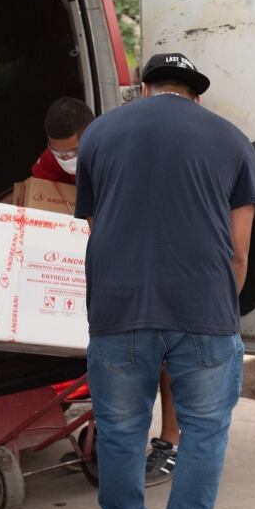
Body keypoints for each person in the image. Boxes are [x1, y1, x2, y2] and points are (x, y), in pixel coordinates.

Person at [76, 52, 255, 509]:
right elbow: (239, 251)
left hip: (118, 307)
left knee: (120, 428)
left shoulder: (99, 136)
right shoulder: (230, 140)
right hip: (201, 306)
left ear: (144, 88)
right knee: (203, 432)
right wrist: (219, 308)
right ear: (196, 94)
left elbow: (94, 225)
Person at [30, 96, 182, 487]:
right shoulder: (50, 165)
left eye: (74, 152)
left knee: (162, 352)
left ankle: (171, 441)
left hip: (148, 261)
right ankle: (109, 443)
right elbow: (30, 202)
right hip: (98, 272)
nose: (66, 160)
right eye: (57, 152)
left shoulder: (127, 153)